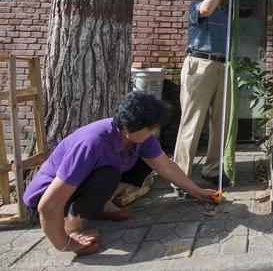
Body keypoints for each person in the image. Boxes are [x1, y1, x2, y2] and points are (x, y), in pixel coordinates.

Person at [23, 91, 216, 256]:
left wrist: (198, 192)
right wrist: (66, 243)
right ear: (127, 129)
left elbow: (167, 167)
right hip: (48, 202)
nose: (153, 132)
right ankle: (71, 225)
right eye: (149, 128)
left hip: (78, 189)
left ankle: (101, 205)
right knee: (108, 175)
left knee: (146, 162)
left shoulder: (141, 138)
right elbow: (48, 205)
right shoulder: (92, 144)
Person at [172, 0, 233, 193]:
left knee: (221, 121)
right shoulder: (196, 5)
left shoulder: (226, 13)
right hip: (200, 64)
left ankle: (212, 170)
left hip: (223, 65)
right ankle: (180, 177)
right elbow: (206, 9)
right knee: (192, 120)